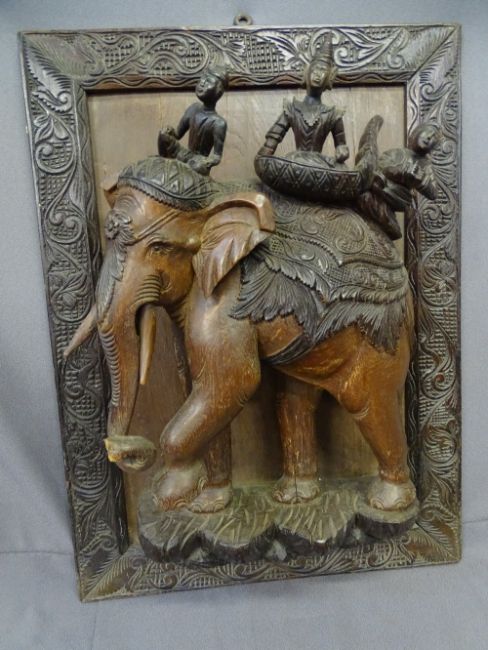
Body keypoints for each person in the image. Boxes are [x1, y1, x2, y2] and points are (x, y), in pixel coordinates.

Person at [258, 35, 349, 169]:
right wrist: (264, 157)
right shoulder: (292, 108)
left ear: (330, 77)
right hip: (295, 162)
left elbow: (341, 145)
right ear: (307, 71)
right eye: (315, 69)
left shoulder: (333, 114)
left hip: (319, 165)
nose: (318, 74)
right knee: (286, 164)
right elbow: (273, 139)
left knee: (340, 169)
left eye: (323, 71)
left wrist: (342, 151)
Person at [158, 65, 228, 175]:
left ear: (218, 91)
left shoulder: (219, 123)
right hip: (184, 154)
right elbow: (177, 135)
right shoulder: (194, 108)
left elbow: (217, 157)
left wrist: (206, 161)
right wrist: (170, 131)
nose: (202, 83)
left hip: (197, 161)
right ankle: (163, 166)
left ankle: (182, 172)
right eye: (202, 79)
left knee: (196, 166)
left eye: (208, 81)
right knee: (163, 135)